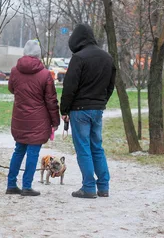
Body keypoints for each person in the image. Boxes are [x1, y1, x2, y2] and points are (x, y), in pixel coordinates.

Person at [60, 23, 116, 199]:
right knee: (97, 147)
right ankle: (104, 186)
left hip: (79, 110)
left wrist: (64, 109)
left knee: (83, 148)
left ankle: (89, 187)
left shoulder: (79, 58)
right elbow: (110, 85)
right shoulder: (107, 58)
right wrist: (101, 102)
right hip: (97, 110)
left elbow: (70, 87)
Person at [6, 40, 60, 196]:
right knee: (33, 153)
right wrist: (55, 121)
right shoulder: (44, 74)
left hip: (20, 117)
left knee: (18, 150)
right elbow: (51, 100)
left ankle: (11, 184)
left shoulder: (15, 71)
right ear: (38, 55)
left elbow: (11, 89)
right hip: (38, 120)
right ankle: (27, 186)